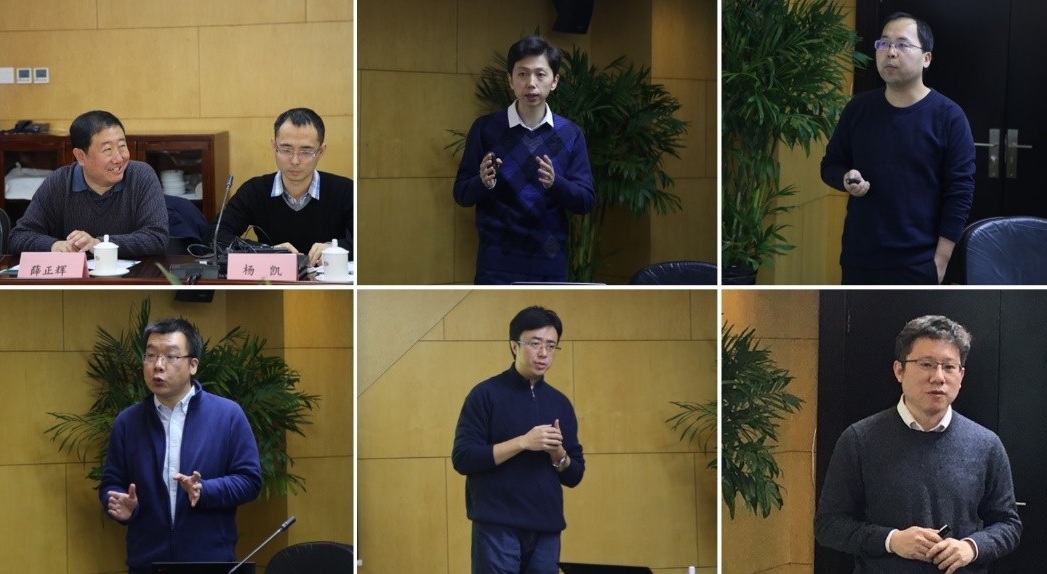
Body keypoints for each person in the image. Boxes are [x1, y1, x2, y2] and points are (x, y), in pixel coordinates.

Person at [815, 315, 1021, 574]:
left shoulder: (986, 444)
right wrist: (891, 541)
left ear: (961, 375)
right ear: (899, 370)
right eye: (926, 364)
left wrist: (972, 547)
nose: (938, 377)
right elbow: (828, 525)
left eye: (949, 367)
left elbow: (1008, 524)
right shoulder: (859, 439)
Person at [821, 13, 975, 285]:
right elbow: (830, 165)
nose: (890, 52)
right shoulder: (858, 108)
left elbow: (960, 193)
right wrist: (845, 178)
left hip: (919, 261)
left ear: (926, 58)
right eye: (884, 44)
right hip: (860, 258)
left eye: (903, 44)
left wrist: (940, 262)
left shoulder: (949, 116)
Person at [99, 318, 262, 574]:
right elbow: (111, 483)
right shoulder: (128, 422)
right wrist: (122, 505)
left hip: (210, 563)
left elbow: (250, 481)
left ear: (193, 365)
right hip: (148, 564)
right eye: (150, 355)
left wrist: (205, 490)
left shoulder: (228, 415)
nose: (158, 365)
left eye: (171, 356)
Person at [452, 306, 585, 573]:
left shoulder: (559, 402)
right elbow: (464, 458)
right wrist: (523, 442)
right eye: (535, 343)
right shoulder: (485, 394)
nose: (543, 353)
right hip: (497, 526)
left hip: (546, 528)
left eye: (551, 346)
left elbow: (575, 475)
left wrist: (558, 454)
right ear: (514, 346)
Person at [453, 36, 595, 284]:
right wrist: (482, 183)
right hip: (496, 261)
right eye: (522, 74)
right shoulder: (486, 128)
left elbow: (585, 201)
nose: (531, 83)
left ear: (554, 81)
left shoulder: (571, 133)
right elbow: (461, 194)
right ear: (510, 80)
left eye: (540, 74)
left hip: (550, 260)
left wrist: (556, 183)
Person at [9, 110, 168, 257]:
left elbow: (156, 237)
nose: (119, 158)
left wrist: (99, 244)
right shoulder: (59, 183)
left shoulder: (141, 176)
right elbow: (18, 237)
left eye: (122, 146)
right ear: (80, 156)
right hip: (74, 277)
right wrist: (54, 245)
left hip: (133, 275)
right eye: (107, 149)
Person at [215, 107, 354, 266]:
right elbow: (215, 235)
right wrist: (266, 251)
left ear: (321, 151)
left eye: (306, 151)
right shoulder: (255, 190)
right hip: (272, 278)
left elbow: (368, 240)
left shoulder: (345, 191)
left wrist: (335, 249)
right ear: (274, 146)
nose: (295, 161)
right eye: (286, 149)